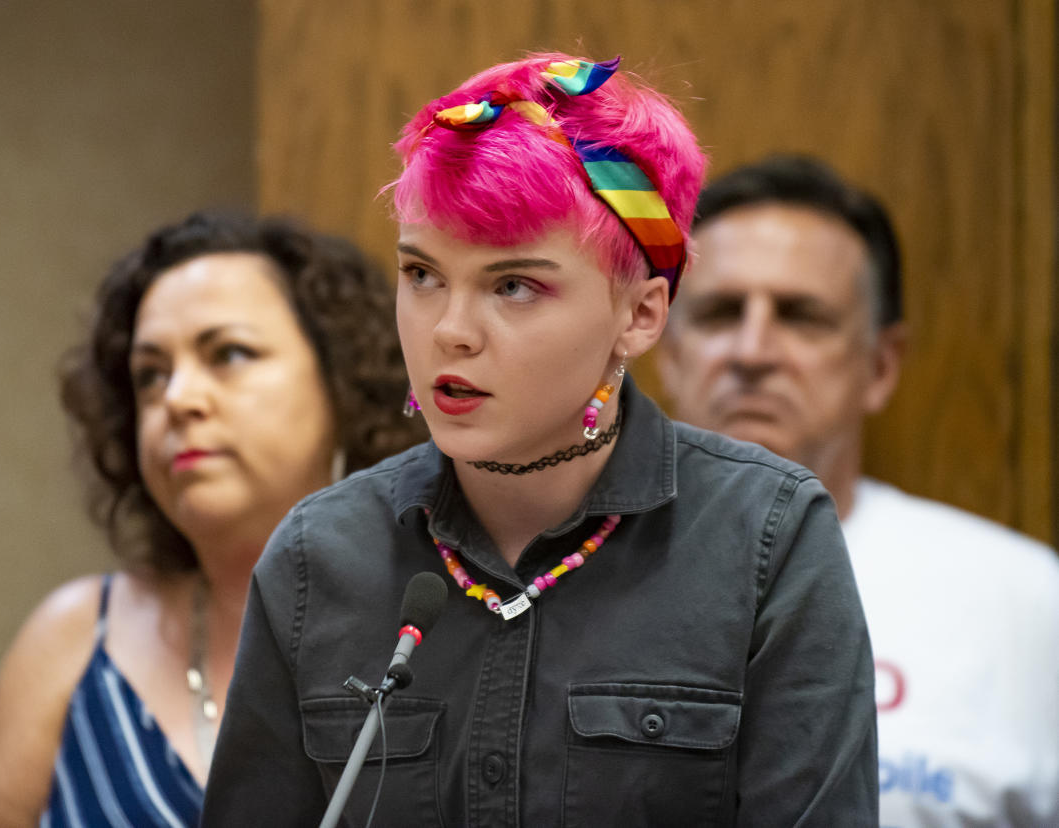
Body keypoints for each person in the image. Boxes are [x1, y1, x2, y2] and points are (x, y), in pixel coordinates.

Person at [201, 56, 877, 826]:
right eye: (422, 274)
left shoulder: (768, 539)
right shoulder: (315, 559)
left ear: (642, 315)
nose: (449, 331)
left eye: (513, 285)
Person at [0, 211, 425, 827]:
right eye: (151, 375)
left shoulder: (438, 632)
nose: (176, 399)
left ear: (344, 383)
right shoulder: (71, 640)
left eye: (229, 353)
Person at [656, 154, 1059, 825]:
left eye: (801, 316)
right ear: (667, 350)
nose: (752, 351)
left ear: (880, 365)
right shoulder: (569, 574)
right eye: (721, 313)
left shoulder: (1023, 602)